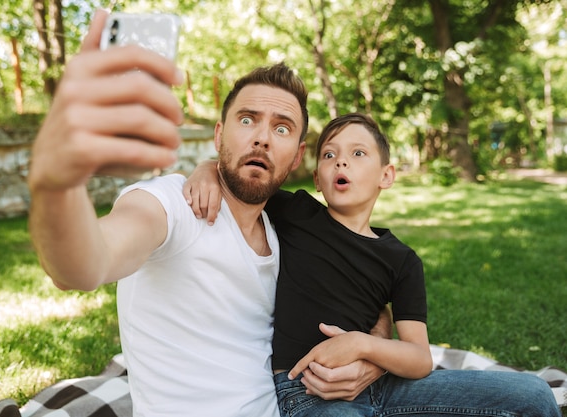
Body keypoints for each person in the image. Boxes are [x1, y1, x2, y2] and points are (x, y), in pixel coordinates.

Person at [27, 10, 385, 416]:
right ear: (219, 135)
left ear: (297, 156)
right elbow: (81, 266)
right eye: (247, 120)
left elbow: (370, 283)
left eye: (282, 128)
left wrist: (373, 354)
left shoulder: (289, 225)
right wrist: (56, 184)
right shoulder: (171, 205)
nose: (263, 138)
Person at [184, 113, 562, 416]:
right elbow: (237, 177)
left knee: (531, 393)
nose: (341, 160)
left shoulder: (402, 260)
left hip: (384, 386)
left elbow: (418, 358)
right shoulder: (297, 212)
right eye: (329, 155)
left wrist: (361, 344)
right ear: (318, 178)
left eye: (358, 153)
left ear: (387, 175)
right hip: (308, 392)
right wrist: (205, 169)